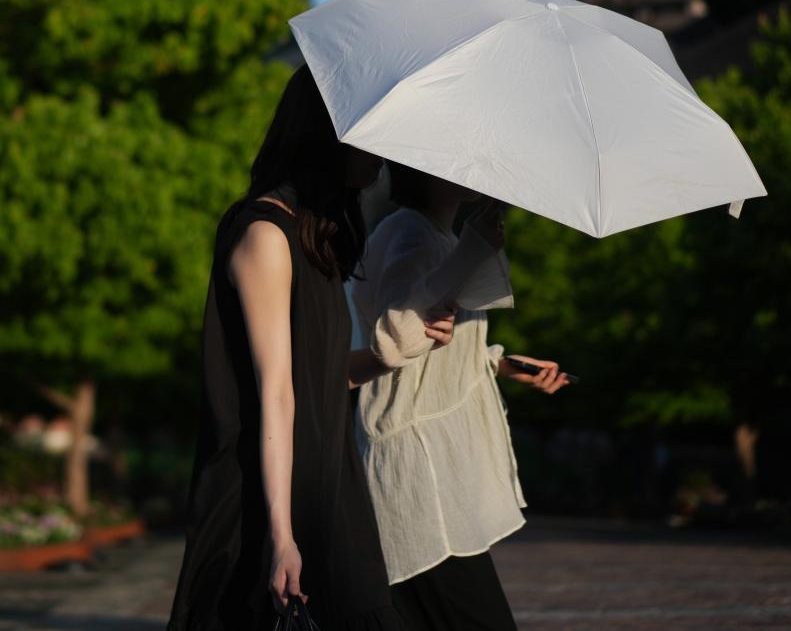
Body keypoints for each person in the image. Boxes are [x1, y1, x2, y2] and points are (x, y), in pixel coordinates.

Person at [168, 66, 450, 630]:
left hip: (324, 483)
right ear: (327, 136)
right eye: (367, 137)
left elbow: (316, 377)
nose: (380, 158)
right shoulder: (266, 237)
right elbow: (275, 394)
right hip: (266, 499)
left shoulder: (314, 239)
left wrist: (396, 352)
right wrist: (283, 535)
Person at [351, 161, 570, 630]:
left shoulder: (439, 236)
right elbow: (397, 339)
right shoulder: (408, 233)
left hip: (435, 474)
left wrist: (506, 366)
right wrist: (474, 251)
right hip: (417, 474)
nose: (475, 170)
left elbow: (440, 349)